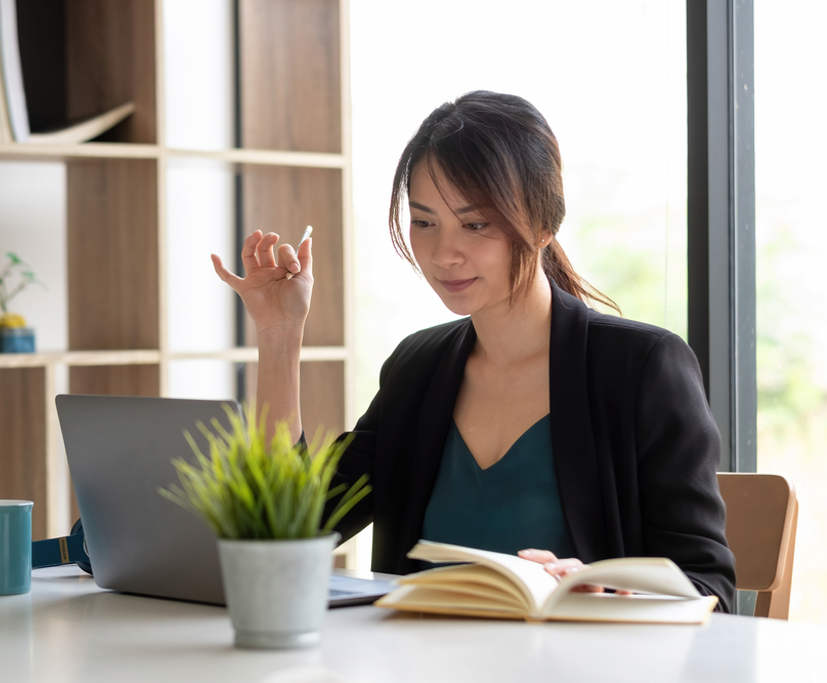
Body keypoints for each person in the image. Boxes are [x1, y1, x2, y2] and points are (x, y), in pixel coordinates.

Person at [211, 90, 736, 610]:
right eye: (424, 222)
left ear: (542, 224)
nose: (444, 253)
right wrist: (279, 336)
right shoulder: (418, 369)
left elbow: (711, 587)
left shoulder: (640, 368)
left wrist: (603, 588)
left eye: (476, 224)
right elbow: (289, 531)